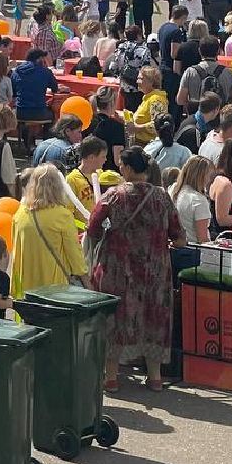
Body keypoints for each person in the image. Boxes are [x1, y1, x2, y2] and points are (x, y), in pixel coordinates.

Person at [85, 147, 184, 391]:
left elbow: (93, 226)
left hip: (118, 268)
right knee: (154, 317)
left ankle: (111, 377)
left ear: (128, 168)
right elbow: (179, 236)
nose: (120, 169)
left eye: (121, 165)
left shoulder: (114, 195)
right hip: (154, 269)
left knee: (115, 318)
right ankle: (155, 377)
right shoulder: (162, 196)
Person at [11, 165, 86, 297]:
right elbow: (74, 255)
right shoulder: (63, 215)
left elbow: (16, 254)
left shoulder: (19, 214)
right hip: (55, 287)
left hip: (27, 288)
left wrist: (14, 290)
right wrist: (86, 278)